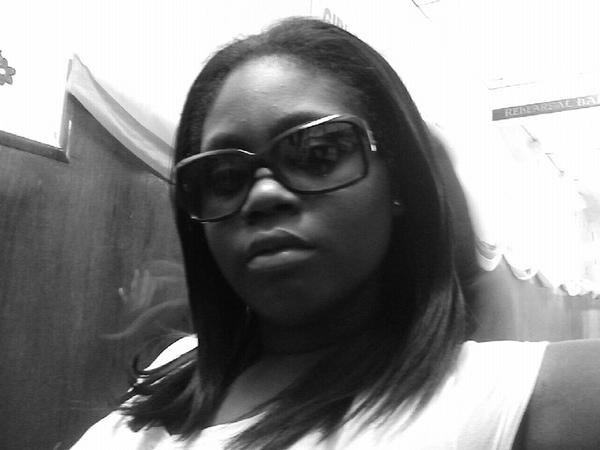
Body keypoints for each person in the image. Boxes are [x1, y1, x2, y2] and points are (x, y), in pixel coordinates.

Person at [71, 17, 600, 450]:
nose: (262, 195)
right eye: (224, 177)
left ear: (399, 180)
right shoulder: (176, 369)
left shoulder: (505, 395)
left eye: (318, 153)